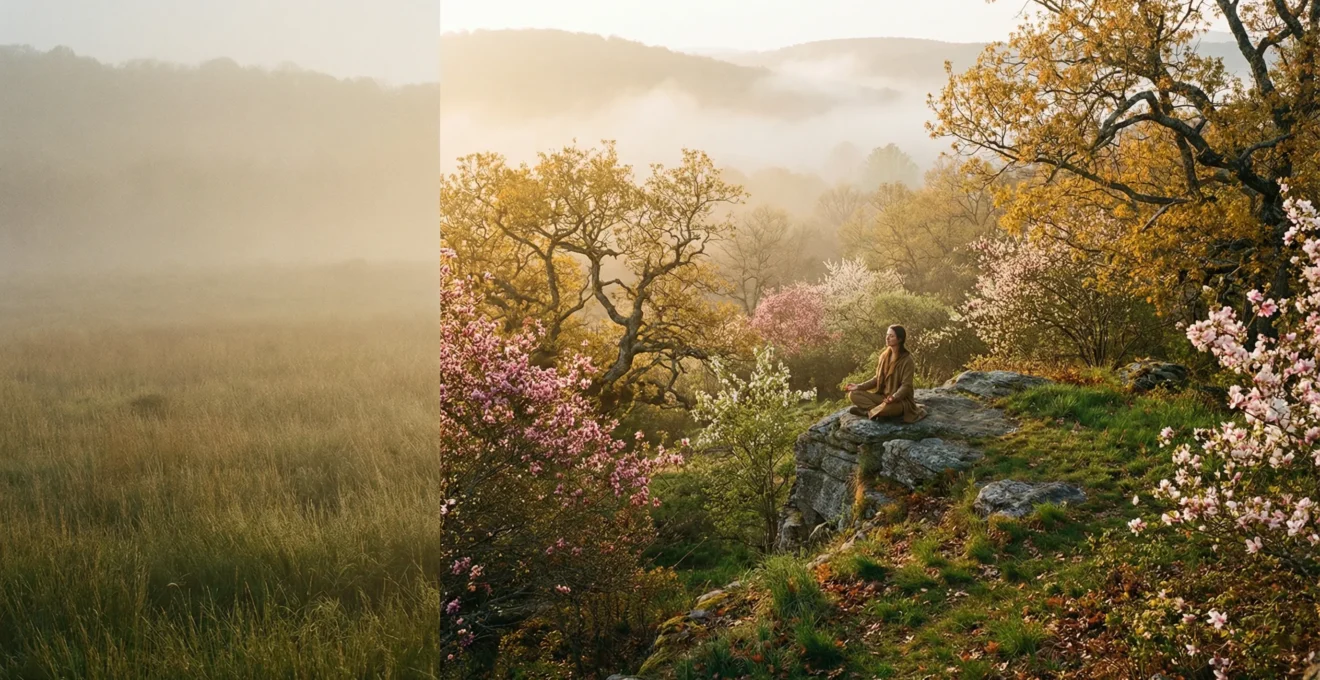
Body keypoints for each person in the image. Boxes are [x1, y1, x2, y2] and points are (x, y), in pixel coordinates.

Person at [844, 324, 928, 423]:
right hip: (882, 398)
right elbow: (877, 379)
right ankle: (876, 412)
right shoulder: (884, 356)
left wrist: (894, 397)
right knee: (853, 394)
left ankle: (869, 412)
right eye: (887, 335)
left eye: (891, 336)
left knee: (888, 409)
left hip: (899, 401)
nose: (887, 338)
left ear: (900, 339)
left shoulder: (907, 360)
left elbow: (906, 386)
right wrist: (858, 386)